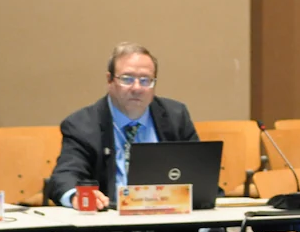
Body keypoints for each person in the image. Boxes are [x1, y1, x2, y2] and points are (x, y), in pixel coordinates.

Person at [47, 43, 200, 209]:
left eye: (145, 80)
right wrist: (78, 195)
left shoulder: (175, 117)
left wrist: (208, 230)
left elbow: (200, 176)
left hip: (169, 224)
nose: (136, 88)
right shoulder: (82, 125)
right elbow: (65, 176)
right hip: (110, 223)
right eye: (127, 79)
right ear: (109, 80)